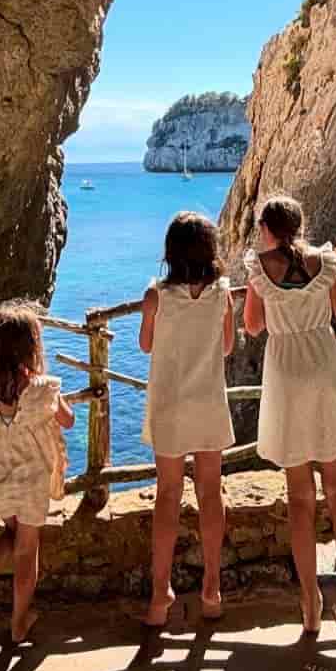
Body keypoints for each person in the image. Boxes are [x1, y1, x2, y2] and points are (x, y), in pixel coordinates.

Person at [243, 195, 336, 635]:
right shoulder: (327, 261)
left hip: (286, 376)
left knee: (300, 497)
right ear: (299, 225)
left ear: (266, 229)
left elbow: (253, 326)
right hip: (325, 368)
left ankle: (310, 601)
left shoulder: (259, 268)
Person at [138, 212, 236, 625]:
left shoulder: (156, 295)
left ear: (171, 252)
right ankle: (212, 588)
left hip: (170, 406)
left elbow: (145, 345)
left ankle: (160, 596)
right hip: (208, 402)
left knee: (168, 496)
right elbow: (227, 346)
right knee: (210, 493)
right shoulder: (223, 294)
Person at [0, 299, 74, 641]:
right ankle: (19, 622)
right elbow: (68, 420)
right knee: (28, 550)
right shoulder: (42, 389)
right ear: (32, 347)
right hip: (32, 479)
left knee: (13, 535)